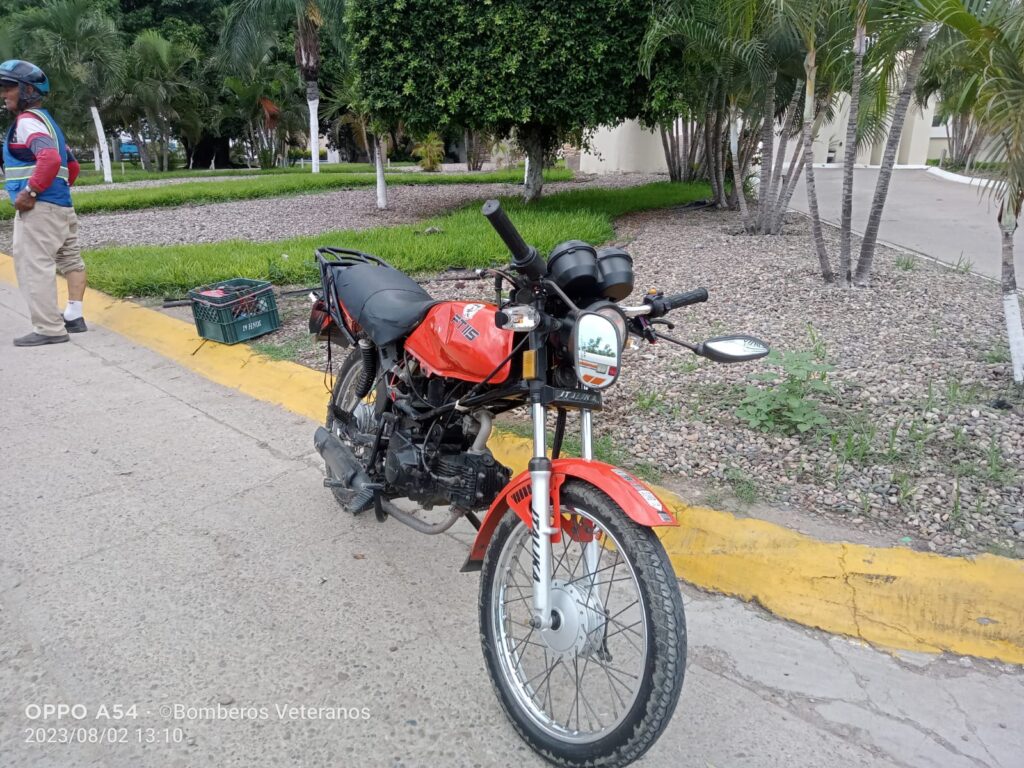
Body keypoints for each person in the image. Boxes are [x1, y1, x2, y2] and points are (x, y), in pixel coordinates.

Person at [1, 59, 85, 347]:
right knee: (70, 260)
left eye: (8, 88)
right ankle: (75, 316)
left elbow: (49, 159)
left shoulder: (26, 123)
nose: (3, 94)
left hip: (39, 210)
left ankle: (49, 329)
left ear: (26, 90)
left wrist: (32, 192)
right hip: (62, 207)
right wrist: (56, 194)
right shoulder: (49, 122)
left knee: (33, 266)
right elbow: (72, 168)